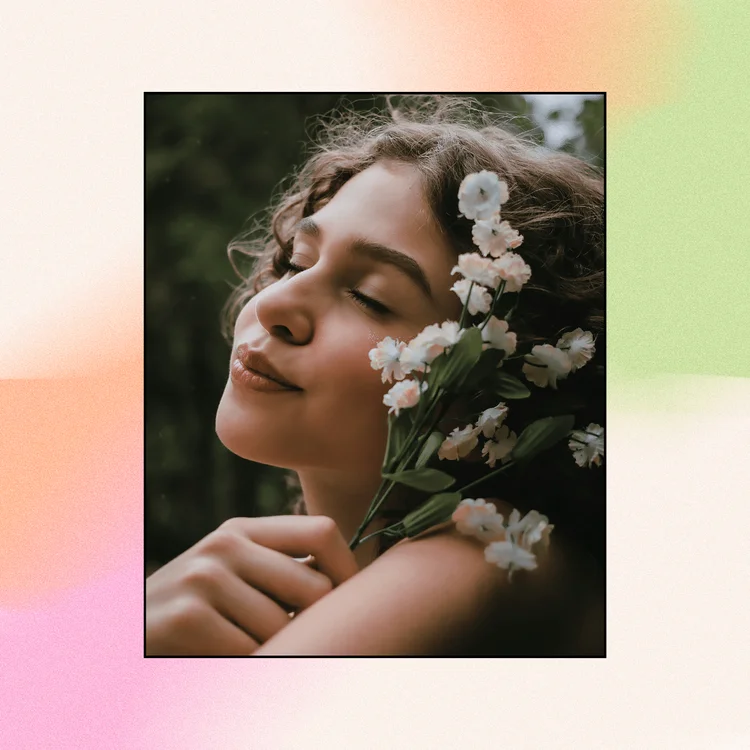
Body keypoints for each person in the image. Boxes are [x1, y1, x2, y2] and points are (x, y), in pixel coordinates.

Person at [146, 95, 605, 656]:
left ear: (496, 388)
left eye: (369, 297)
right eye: (297, 260)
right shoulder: (293, 584)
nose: (274, 303)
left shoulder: (495, 549)